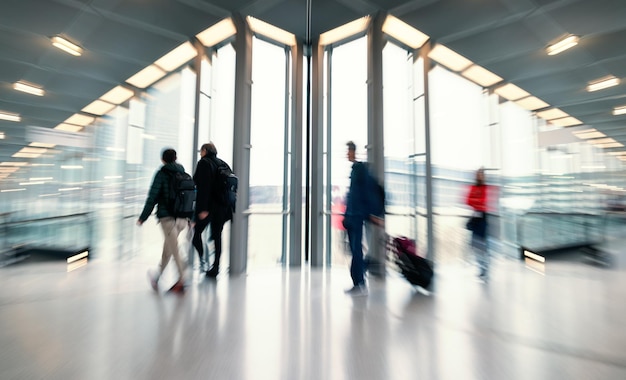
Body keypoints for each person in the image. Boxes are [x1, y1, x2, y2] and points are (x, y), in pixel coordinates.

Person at [137, 148, 190, 293]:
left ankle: (183, 278)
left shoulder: (161, 174)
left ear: (163, 160)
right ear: (176, 158)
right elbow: (190, 198)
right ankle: (157, 275)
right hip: (182, 219)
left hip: (168, 219)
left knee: (174, 249)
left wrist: (143, 217)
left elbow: (152, 197)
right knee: (168, 248)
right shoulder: (184, 174)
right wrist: (189, 218)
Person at [192, 142, 232, 278]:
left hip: (209, 207)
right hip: (223, 207)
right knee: (217, 236)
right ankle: (216, 267)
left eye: (200, 151)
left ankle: (203, 261)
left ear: (204, 150)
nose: (200, 154)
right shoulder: (223, 164)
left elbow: (203, 187)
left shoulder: (204, 163)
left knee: (196, 234)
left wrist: (202, 209)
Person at [342, 141, 372, 296]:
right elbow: (352, 196)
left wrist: (366, 213)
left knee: (356, 250)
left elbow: (362, 194)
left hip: (357, 216)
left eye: (348, 151)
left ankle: (359, 283)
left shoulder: (360, 169)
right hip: (353, 216)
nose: (347, 154)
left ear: (353, 152)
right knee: (355, 250)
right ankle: (358, 282)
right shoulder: (355, 170)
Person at [466, 168, 489, 282]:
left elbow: (483, 202)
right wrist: (477, 199)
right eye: (477, 175)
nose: (479, 176)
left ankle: (484, 268)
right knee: (474, 244)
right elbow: (467, 200)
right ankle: (481, 268)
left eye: (480, 175)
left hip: (483, 219)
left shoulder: (485, 188)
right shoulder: (473, 187)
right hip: (475, 218)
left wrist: (476, 199)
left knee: (482, 245)